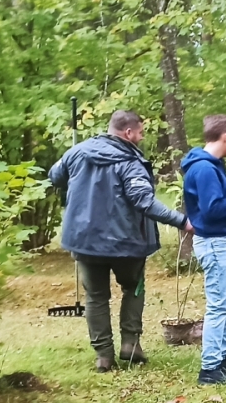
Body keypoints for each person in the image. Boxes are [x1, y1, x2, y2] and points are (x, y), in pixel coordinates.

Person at [48, 109, 191, 372]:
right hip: (127, 242)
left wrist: (69, 163)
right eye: (140, 132)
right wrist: (182, 221)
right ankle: (131, 343)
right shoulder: (130, 161)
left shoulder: (77, 152)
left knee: (96, 297)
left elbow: (54, 177)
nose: (141, 137)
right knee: (133, 287)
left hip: (85, 241)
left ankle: (103, 355)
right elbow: (143, 201)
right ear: (128, 132)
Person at [180, 115, 226, 385]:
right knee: (219, 305)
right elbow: (212, 211)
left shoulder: (213, 166)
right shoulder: (204, 169)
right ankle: (210, 368)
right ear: (225, 136)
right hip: (215, 242)